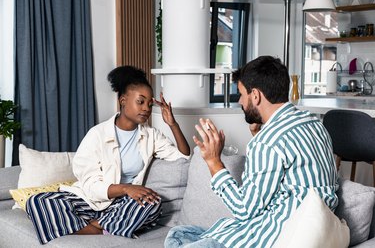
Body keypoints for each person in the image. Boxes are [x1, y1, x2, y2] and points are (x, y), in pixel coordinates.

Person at [165, 56, 338, 248]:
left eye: (241, 94)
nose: (240, 101)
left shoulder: (268, 142)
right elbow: (285, 177)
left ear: (255, 95)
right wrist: (257, 135)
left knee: (177, 239)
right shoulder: (315, 124)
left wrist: (214, 162)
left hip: (269, 237)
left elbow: (244, 210)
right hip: (309, 225)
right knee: (178, 233)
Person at [26, 66, 190, 244]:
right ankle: (102, 228)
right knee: (37, 201)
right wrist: (126, 188)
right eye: (140, 102)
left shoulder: (151, 135)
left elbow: (183, 156)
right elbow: (90, 185)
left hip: (122, 205)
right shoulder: (97, 134)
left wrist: (172, 124)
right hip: (88, 200)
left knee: (153, 204)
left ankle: (81, 226)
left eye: (150, 104)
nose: (146, 109)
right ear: (123, 100)